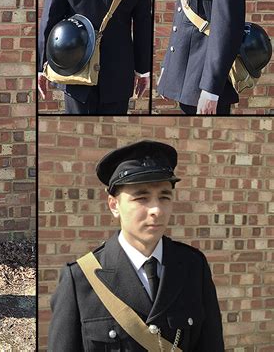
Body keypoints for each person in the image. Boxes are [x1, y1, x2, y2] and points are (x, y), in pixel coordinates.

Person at [48, 140, 224, 351]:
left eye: (164, 197)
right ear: (114, 205)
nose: (156, 210)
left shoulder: (193, 266)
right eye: (142, 197)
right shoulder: (80, 278)